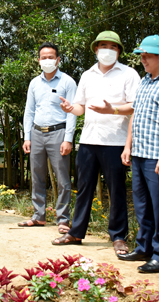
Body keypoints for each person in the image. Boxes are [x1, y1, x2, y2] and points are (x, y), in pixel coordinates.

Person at [53, 31, 140, 257]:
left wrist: (112, 109)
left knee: (117, 190)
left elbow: (136, 106)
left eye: (113, 47)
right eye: (103, 46)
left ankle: (119, 236)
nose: (107, 50)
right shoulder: (87, 75)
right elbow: (80, 107)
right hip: (89, 141)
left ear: (119, 51)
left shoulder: (129, 74)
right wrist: (71, 109)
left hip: (116, 141)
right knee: (84, 189)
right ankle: (76, 232)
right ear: (95, 49)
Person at [115, 35, 159, 274]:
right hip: (139, 153)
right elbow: (135, 114)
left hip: (158, 156)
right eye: (141, 55)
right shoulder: (145, 81)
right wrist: (128, 146)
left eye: (146, 55)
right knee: (142, 205)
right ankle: (144, 247)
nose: (142, 59)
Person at [20, 42, 77, 233]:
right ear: (38, 61)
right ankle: (38, 216)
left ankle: (63, 219)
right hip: (36, 133)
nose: (47, 60)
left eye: (51, 57)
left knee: (62, 179)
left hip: (58, 133)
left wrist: (68, 139)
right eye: (43, 57)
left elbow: (72, 113)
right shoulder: (34, 83)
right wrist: (26, 136)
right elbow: (29, 111)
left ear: (58, 59)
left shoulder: (68, 82)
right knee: (36, 176)